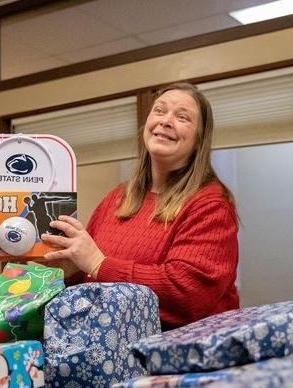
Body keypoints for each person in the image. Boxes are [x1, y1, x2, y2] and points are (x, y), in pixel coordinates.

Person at [41, 82, 240, 329]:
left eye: (182, 117)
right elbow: (92, 284)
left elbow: (187, 292)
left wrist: (97, 263)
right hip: (114, 352)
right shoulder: (117, 198)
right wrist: (73, 270)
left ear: (199, 139)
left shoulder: (210, 205)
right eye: (159, 110)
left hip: (179, 358)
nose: (166, 121)